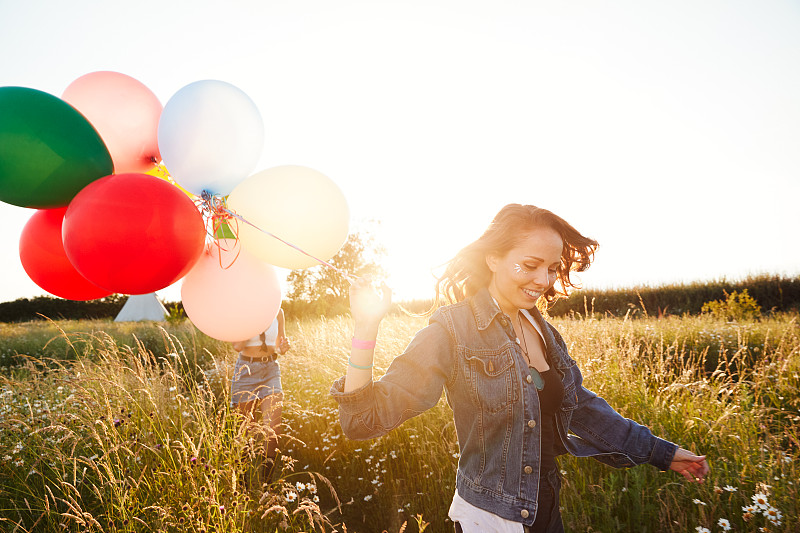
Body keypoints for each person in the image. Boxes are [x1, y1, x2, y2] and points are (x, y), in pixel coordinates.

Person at [330, 204, 710, 532]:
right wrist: (365, 328)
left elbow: (582, 407)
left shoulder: (543, 329)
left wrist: (663, 453)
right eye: (530, 265)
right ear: (493, 258)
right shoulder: (453, 330)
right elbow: (363, 421)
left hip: (545, 507)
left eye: (551, 268)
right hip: (490, 517)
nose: (543, 281)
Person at [231, 308, 291, 485]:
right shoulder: (242, 312)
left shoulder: (278, 311)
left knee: (273, 430)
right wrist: (253, 320)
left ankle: (267, 485)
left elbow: (279, 346)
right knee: (245, 430)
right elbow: (237, 346)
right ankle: (242, 486)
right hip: (246, 371)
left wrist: (283, 348)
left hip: (271, 369)